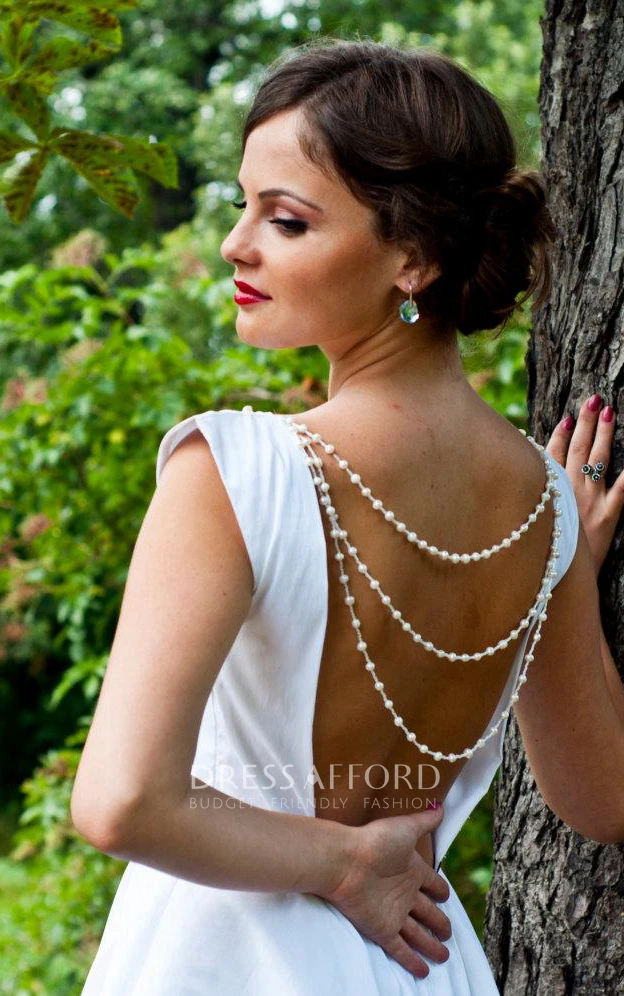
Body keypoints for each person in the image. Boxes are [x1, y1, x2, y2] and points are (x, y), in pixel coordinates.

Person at [72, 39, 624, 995]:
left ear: (414, 258)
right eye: (242, 205)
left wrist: (342, 863)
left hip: (225, 958)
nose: (237, 244)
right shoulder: (546, 510)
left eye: (285, 219)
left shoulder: (234, 472)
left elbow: (124, 802)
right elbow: (604, 798)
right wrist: (565, 556)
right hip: (418, 962)